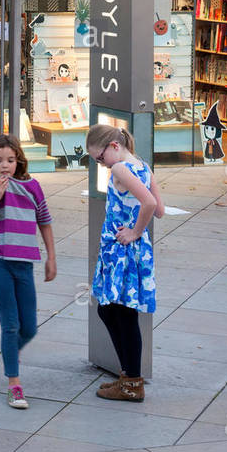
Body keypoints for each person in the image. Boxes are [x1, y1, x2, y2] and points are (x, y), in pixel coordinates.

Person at [0, 133, 57, 410]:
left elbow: (44, 222)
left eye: (10, 160)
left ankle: (10, 354)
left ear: (18, 161)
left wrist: (51, 258)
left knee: (29, 327)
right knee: (10, 325)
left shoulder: (32, 187)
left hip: (24, 265)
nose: (5, 166)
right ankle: (14, 385)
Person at [86, 124, 164, 403]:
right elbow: (161, 209)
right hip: (130, 249)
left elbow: (150, 204)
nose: (101, 164)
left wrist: (134, 231)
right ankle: (128, 378)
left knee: (117, 313)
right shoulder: (142, 165)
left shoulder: (120, 169)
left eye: (99, 158)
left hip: (122, 248)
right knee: (115, 312)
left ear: (114, 147)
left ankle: (131, 382)